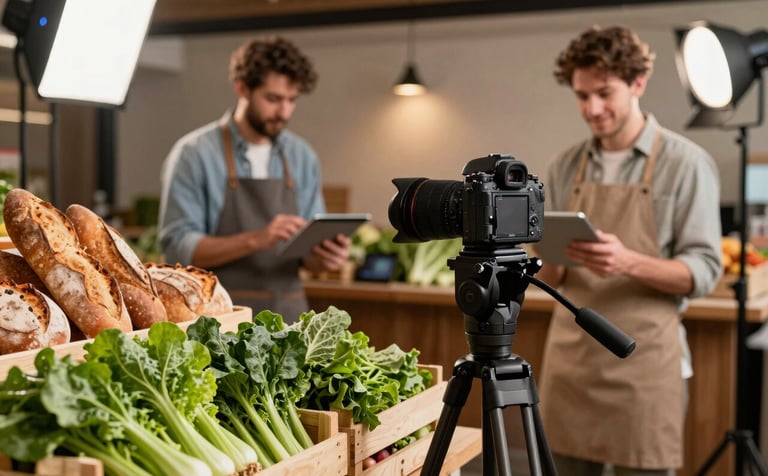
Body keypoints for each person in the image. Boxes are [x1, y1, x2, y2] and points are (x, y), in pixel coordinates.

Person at [535, 26, 723, 475]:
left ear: (637, 84)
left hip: (645, 366)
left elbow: (705, 270)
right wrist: (542, 257)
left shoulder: (687, 164)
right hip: (571, 367)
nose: (592, 109)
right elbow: (548, 274)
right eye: (582, 96)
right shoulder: (564, 166)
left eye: (604, 93)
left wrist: (627, 261)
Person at [158, 36, 350, 322]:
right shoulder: (194, 154)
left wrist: (324, 257)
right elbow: (177, 249)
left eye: (291, 100)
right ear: (242, 88)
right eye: (273, 99)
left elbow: (307, 253)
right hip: (220, 323)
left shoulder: (302, 156)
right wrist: (258, 239)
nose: (283, 111)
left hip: (289, 318)